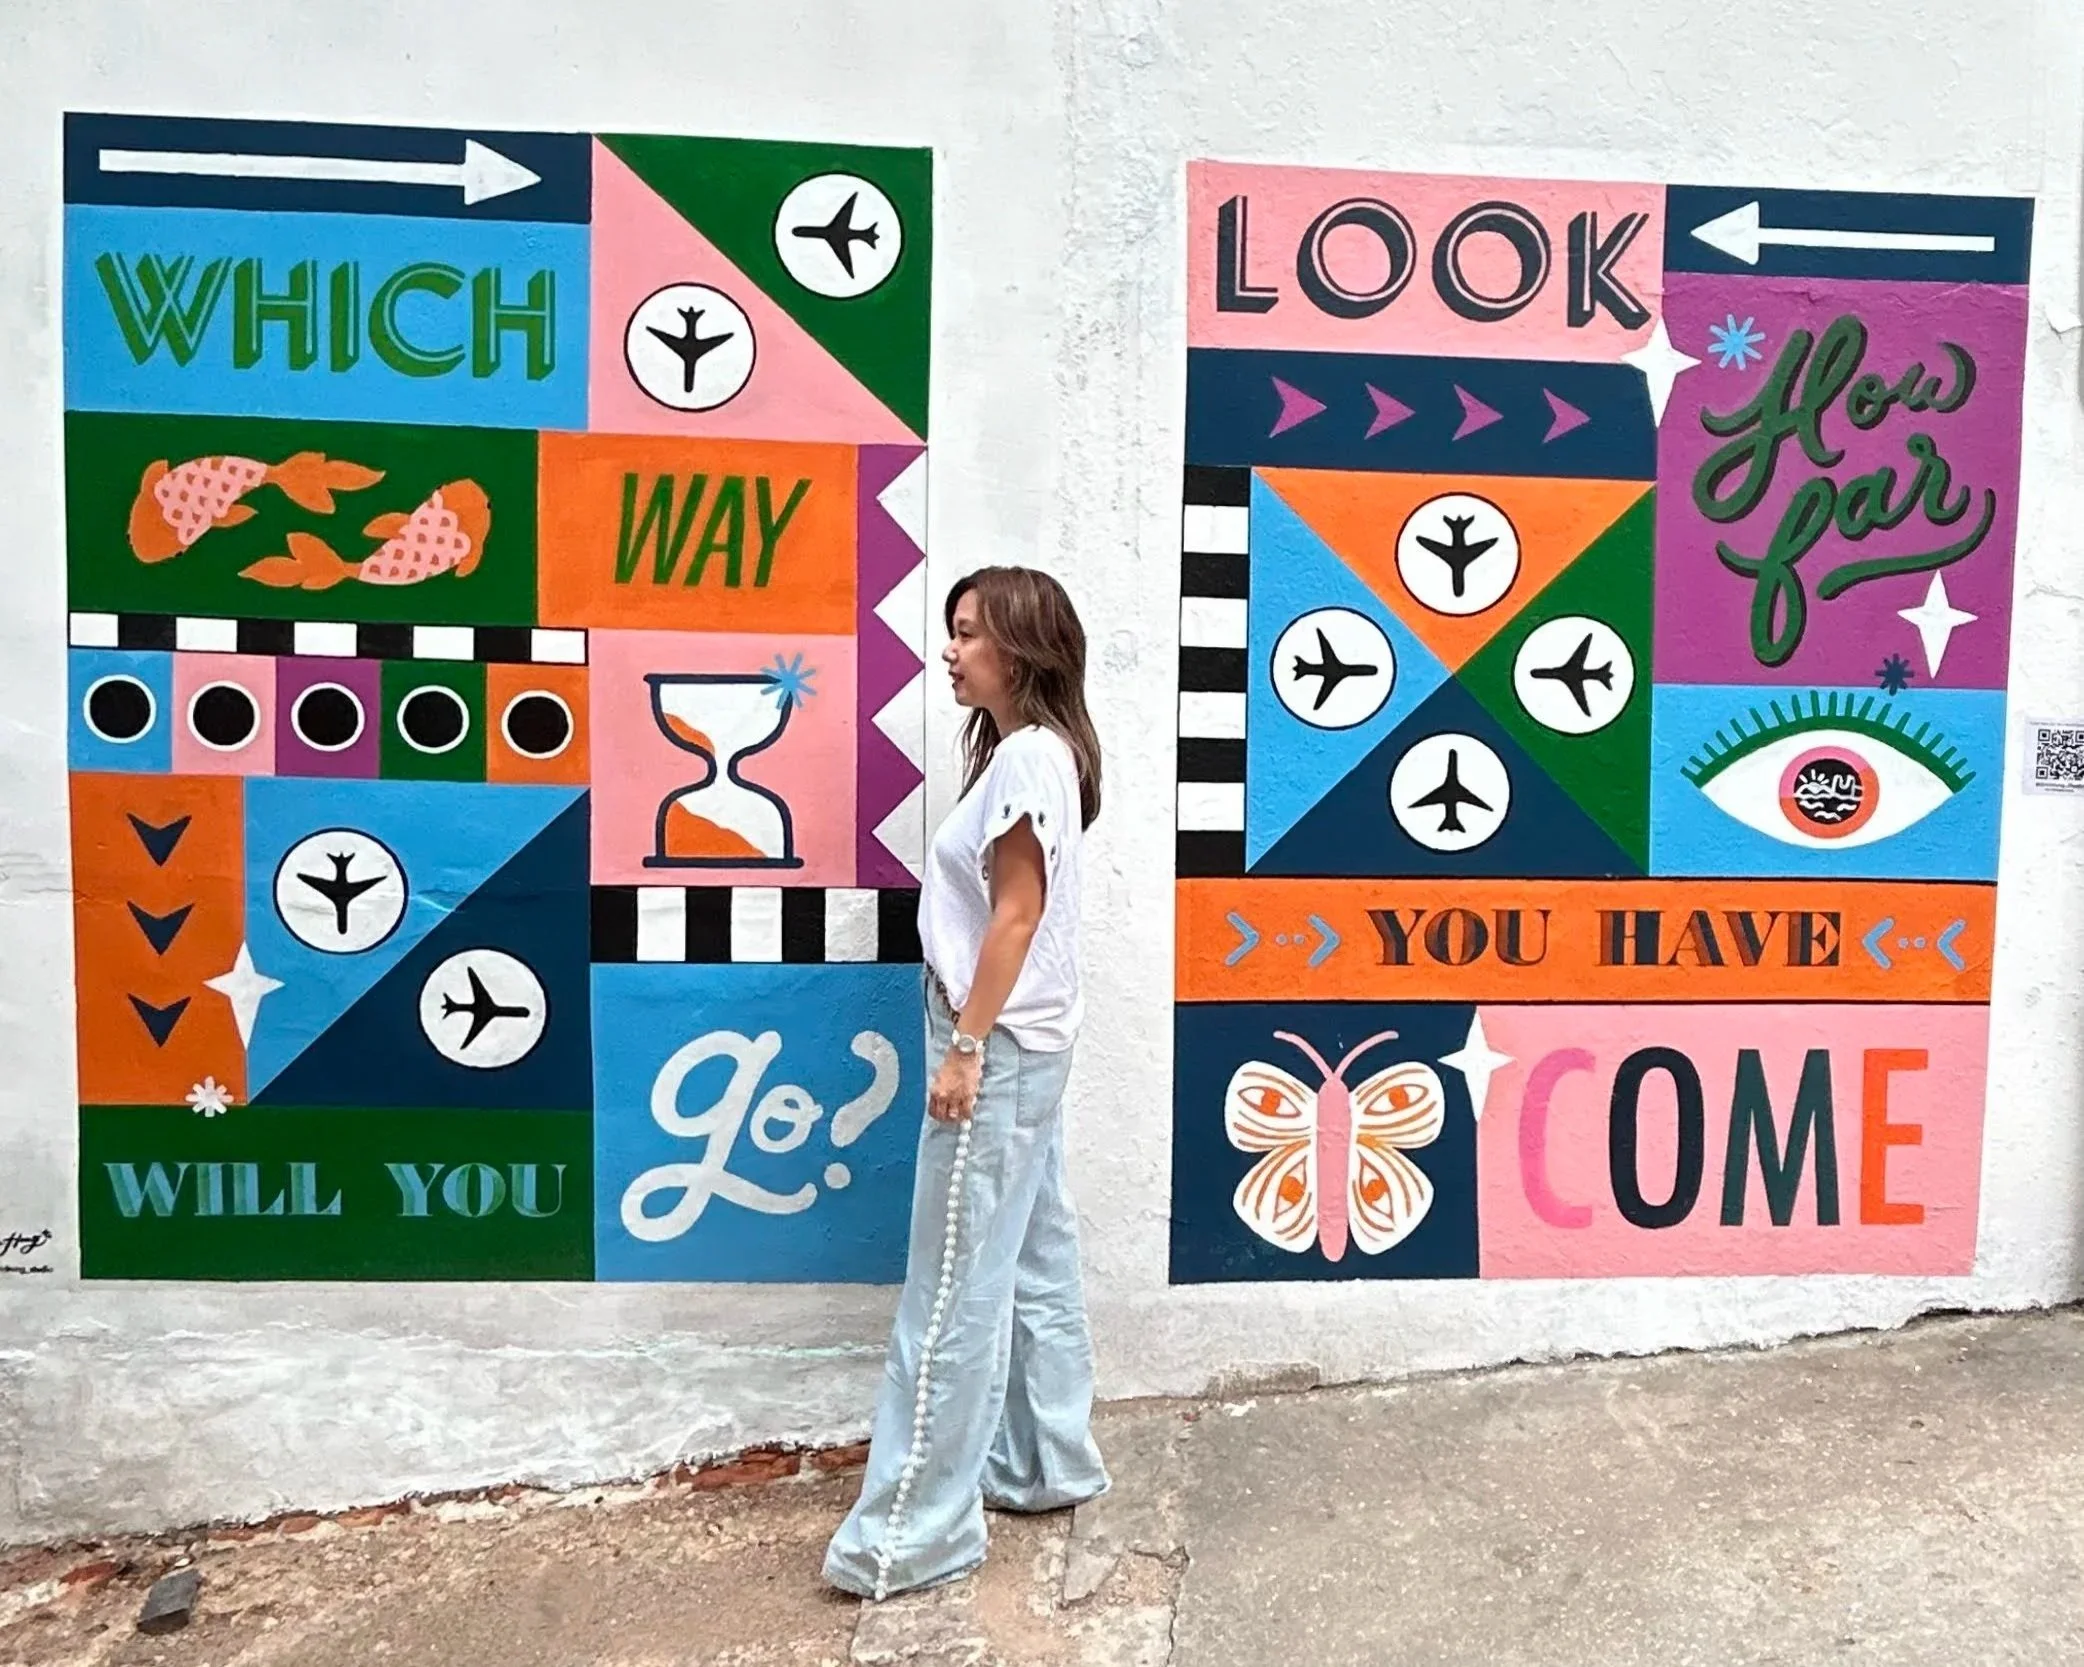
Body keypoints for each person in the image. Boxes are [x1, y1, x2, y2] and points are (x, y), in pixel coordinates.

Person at [824, 566, 1108, 1602]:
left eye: (966, 633)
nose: (948, 650)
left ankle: (912, 1531)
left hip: (998, 1042)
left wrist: (966, 1045)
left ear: (1019, 650)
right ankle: (1046, 1459)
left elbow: (1015, 916)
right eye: (950, 631)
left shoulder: (1029, 758)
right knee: (1031, 1256)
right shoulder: (1034, 755)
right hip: (1030, 1041)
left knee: (948, 1289)